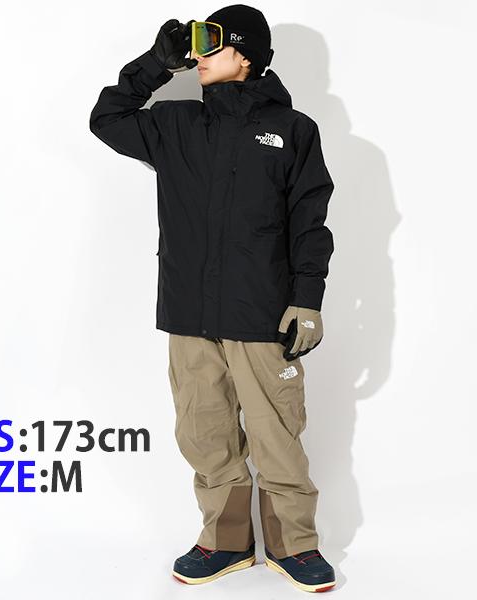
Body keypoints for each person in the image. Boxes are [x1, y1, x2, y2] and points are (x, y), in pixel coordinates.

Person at [89, 4, 336, 592]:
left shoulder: (293, 130)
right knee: (204, 431)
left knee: (276, 433)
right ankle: (226, 543)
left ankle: (294, 544)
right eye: (193, 44)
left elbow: (310, 221)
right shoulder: (174, 125)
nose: (197, 55)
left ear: (245, 54)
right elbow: (107, 118)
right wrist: (155, 65)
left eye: (210, 42)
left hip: (261, 312)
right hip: (189, 313)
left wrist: (307, 298)